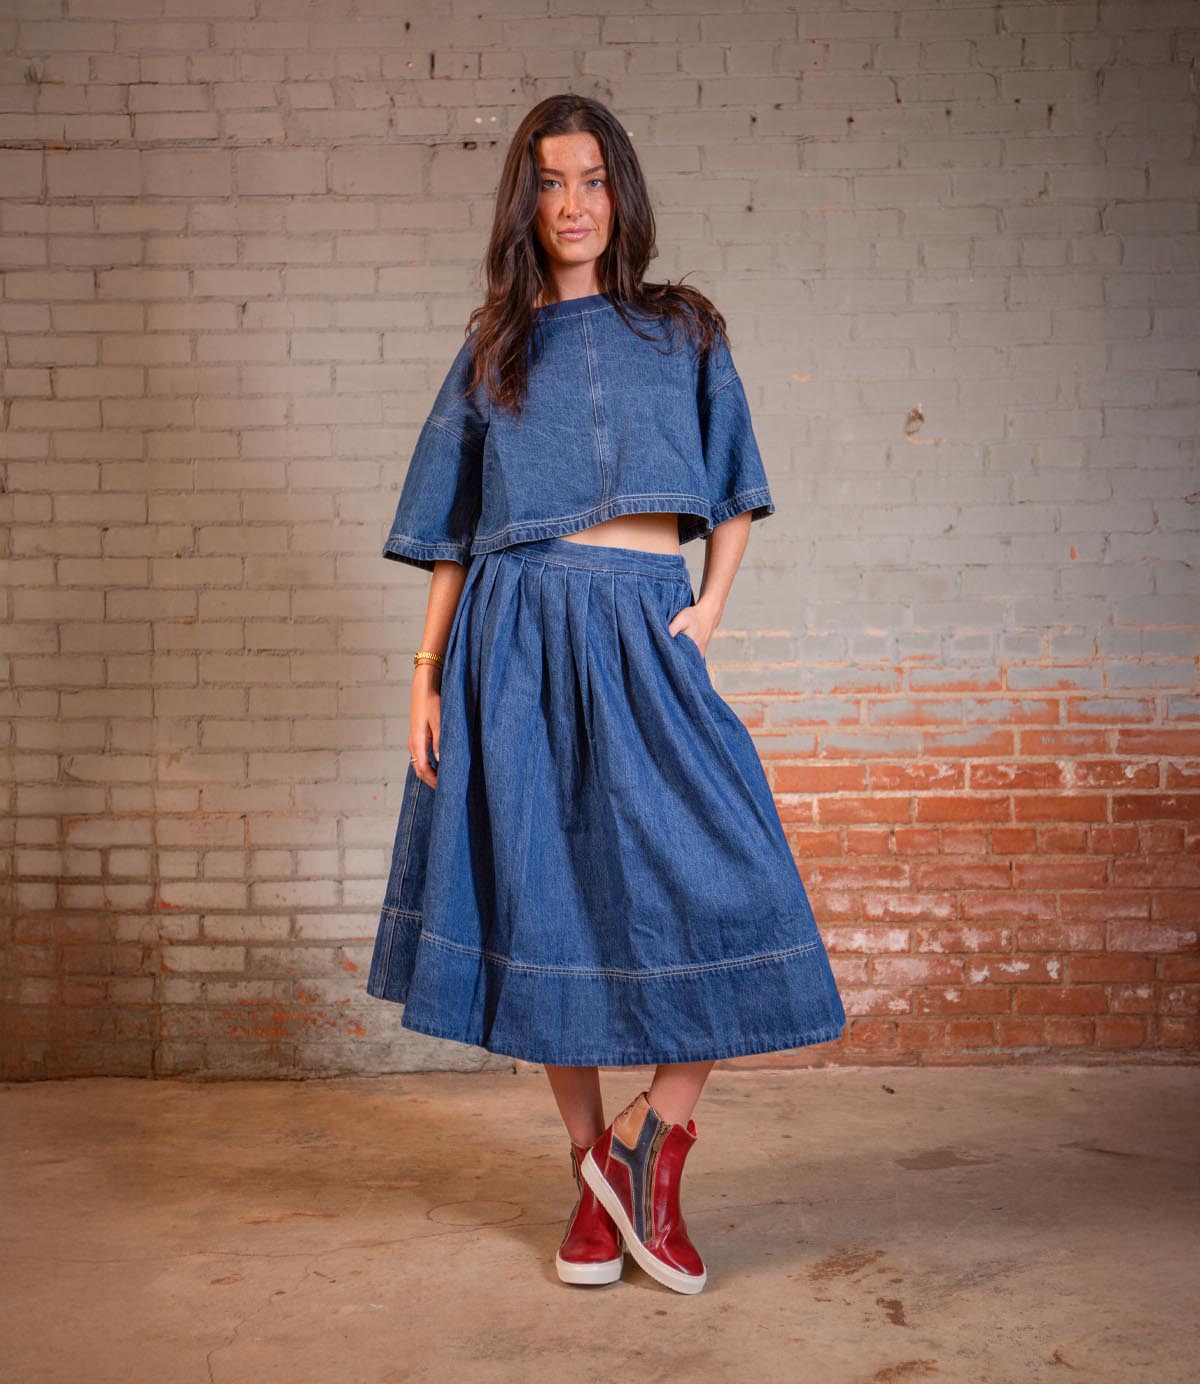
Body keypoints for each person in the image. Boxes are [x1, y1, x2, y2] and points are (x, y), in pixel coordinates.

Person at [366, 94, 846, 1295]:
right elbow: (450, 535)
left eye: (591, 180)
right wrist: (425, 678)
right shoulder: (495, 345)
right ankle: (593, 1173)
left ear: (619, 194)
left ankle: (647, 1146)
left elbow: (735, 490)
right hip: (512, 635)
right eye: (549, 183)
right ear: (524, 204)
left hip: (643, 625)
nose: (572, 204)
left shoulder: (683, 329)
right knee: (548, 904)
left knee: (732, 876)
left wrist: (711, 609)